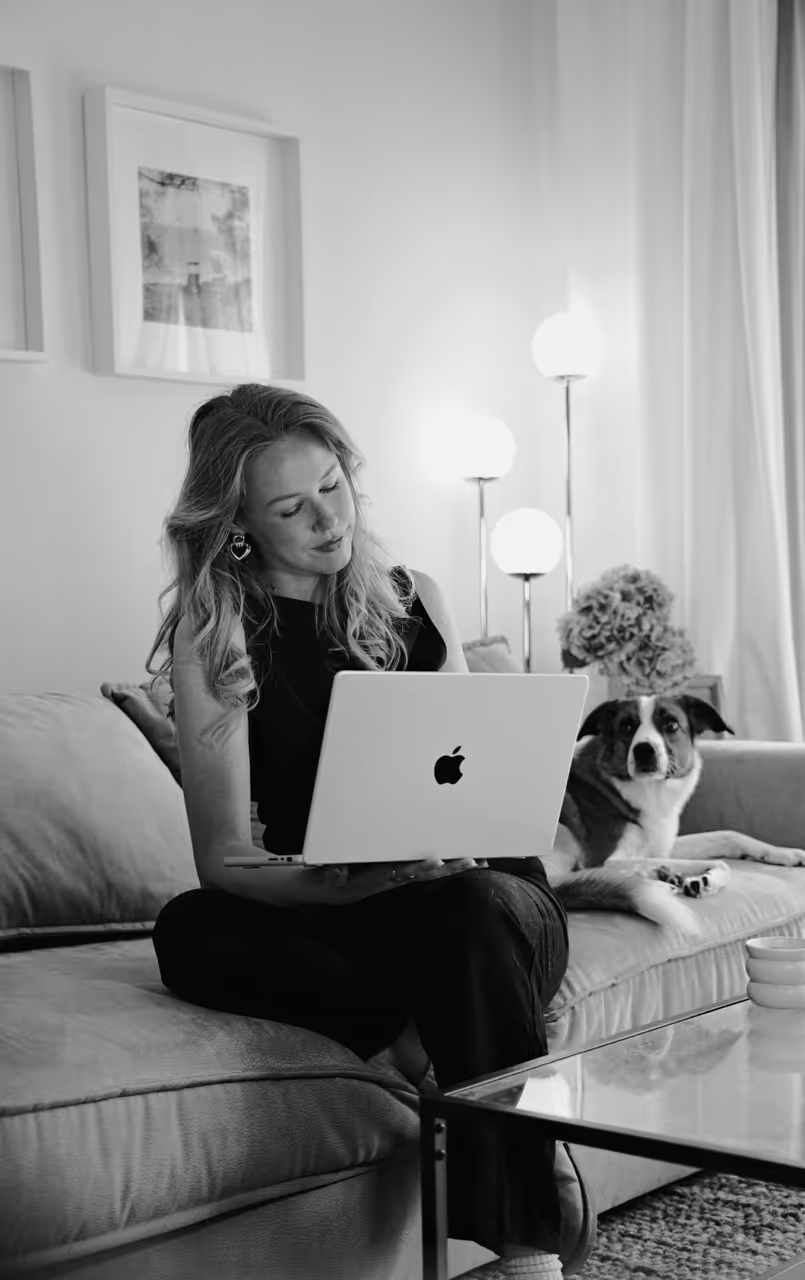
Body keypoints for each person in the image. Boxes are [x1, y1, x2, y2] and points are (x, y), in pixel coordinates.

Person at [147, 383, 595, 1279]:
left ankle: (524, 1256)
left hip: (487, 898)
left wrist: (454, 845)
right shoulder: (218, 634)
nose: (327, 519)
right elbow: (225, 859)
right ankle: (412, 1031)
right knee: (185, 929)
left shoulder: (413, 597)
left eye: (333, 487)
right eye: (290, 506)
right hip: (351, 906)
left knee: (462, 910)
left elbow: (475, 777)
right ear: (237, 523)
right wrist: (343, 884)